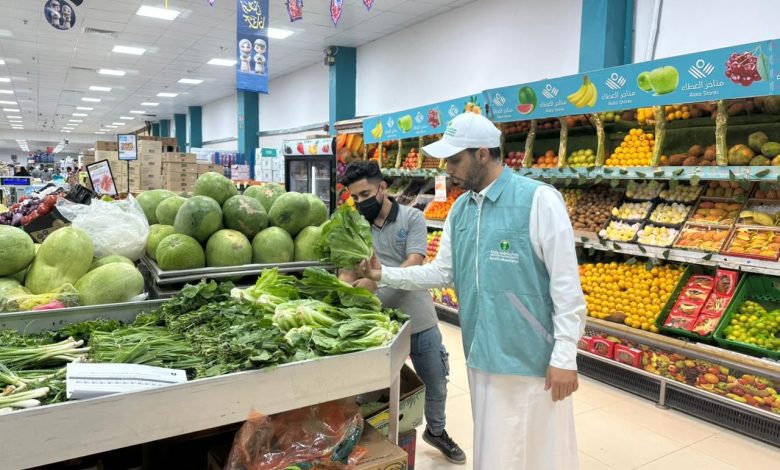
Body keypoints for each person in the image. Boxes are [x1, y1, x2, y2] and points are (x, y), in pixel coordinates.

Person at [354, 112, 586, 469]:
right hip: (481, 352)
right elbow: (442, 271)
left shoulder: (538, 200)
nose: (448, 168)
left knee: (539, 450)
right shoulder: (461, 209)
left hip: (533, 357)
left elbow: (567, 285)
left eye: (455, 159)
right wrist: (382, 274)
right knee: (495, 448)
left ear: (482, 153)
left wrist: (565, 356)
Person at [340, 161, 467, 465]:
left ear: (383, 187)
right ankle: (373, 438)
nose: (360, 202)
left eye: (365, 194)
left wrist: (375, 280)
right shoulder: (354, 226)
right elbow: (346, 271)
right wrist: (346, 287)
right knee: (372, 389)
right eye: (355, 197)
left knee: (436, 381)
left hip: (417, 318)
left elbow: (415, 262)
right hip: (375, 323)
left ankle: (436, 431)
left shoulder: (412, 218)